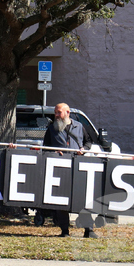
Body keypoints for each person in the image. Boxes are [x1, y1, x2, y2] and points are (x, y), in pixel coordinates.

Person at [42, 102, 97, 238]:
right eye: (55, 112)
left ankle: (88, 230)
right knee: (61, 201)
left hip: (78, 167)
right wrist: (54, 151)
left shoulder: (79, 126)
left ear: (67, 113)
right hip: (60, 168)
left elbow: (88, 142)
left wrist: (84, 150)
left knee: (82, 199)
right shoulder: (51, 129)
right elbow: (45, 148)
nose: (56, 115)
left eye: (59, 112)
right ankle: (64, 230)